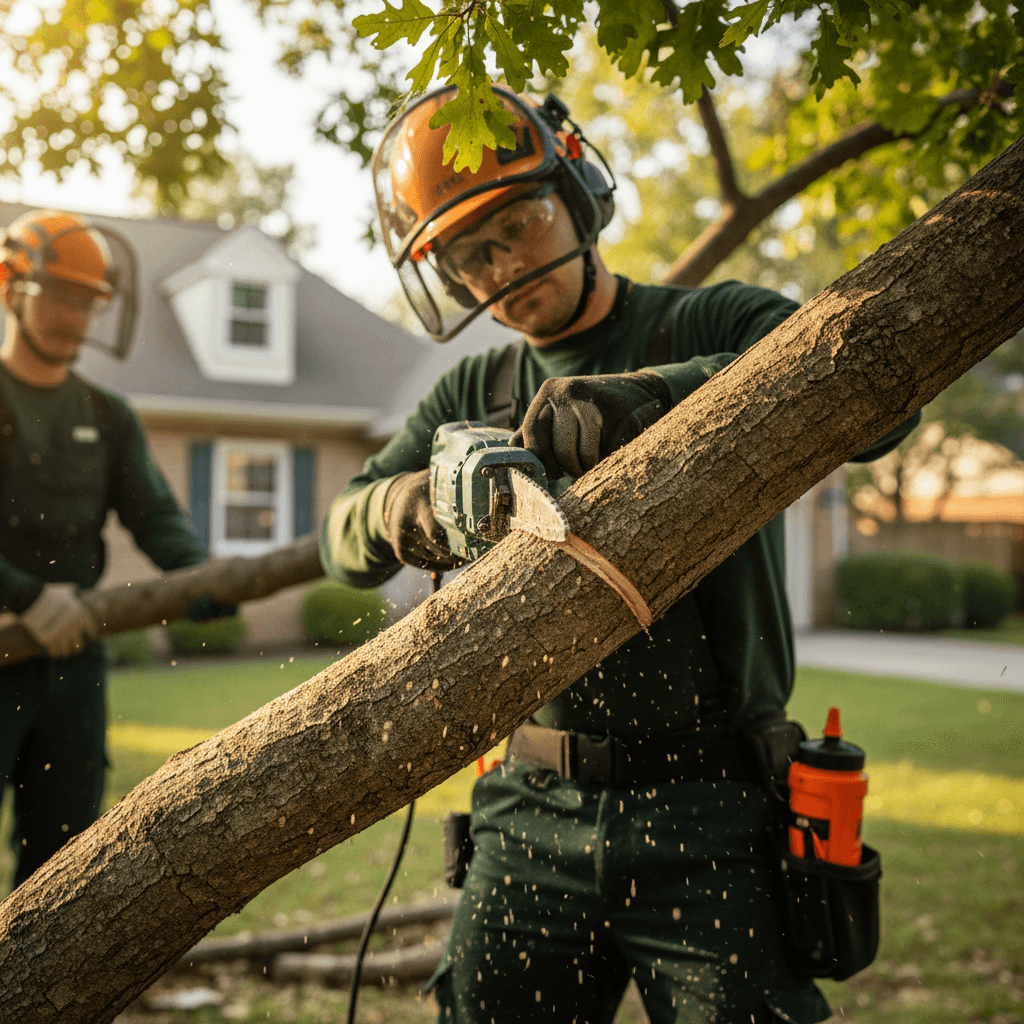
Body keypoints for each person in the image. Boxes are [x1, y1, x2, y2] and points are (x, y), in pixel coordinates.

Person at [320, 87, 919, 1023]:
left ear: (578, 195)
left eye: (519, 222)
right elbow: (341, 532)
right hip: (529, 810)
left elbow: (880, 388)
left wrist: (652, 402)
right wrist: (416, 505)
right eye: (470, 255)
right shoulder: (472, 388)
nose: (504, 265)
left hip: (714, 806)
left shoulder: (714, 323)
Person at [0, 209, 229, 891]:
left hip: (74, 663)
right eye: (59, 295)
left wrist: (203, 576)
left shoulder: (107, 416)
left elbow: (155, 516)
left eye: (87, 301)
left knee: (61, 864)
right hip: (4, 646)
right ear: (13, 286)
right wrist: (27, 596)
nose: (74, 315)